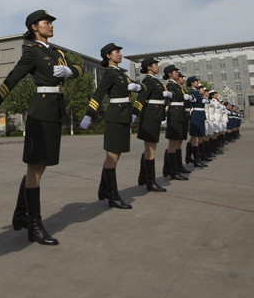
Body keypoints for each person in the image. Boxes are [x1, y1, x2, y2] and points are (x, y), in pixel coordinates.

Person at [0, 10, 85, 244]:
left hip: (56, 109)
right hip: (41, 110)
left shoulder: (58, 53)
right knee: (35, 167)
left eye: (51, 22)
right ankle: (35, 225)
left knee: (41, 166)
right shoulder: (32, 52)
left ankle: (20, 214)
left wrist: (70, 71)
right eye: (46, 22)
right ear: (34, 27)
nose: (51, 25)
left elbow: (80, 69)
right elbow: (12, 79)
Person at [80, 43, 141, 209]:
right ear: (108, 56)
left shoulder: (122, 74)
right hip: (115, 117)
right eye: (117, 52)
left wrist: (138, 86)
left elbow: (140, 87)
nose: (120, 54)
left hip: (123, 116)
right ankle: (113, 196)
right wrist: (89, 114)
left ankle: (104, 188)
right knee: (113, 156)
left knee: (115, 155)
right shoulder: (109, 74)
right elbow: (98, 94)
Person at [132, 57, 171, 192]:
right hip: (149, 117)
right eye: (155, 64)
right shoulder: (148, 80)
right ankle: (151, 181)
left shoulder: (155, 81)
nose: (157, 66)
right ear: (149, 67)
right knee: (151, 151)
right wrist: (134, 113)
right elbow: (141, 97)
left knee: (149, 149)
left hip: (154, 116)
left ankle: (144, 177)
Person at [161, 65, 190, 181]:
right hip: (175, 114)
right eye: (175, 72)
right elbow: (166, 101)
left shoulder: (177, 86)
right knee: (173, 144)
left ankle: (177, 167)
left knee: (178, 142)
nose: (177, 73)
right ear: (169, 74)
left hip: (180, 114)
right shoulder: (170, 86)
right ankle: (173, 171)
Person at [185, 76, 208, 168]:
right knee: (196, 138)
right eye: (195, 81)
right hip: (197, 114)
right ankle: (196, 159)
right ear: (191, 83)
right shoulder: (192, 92)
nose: (197, 82)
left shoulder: (197, 92)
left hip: (200, 114)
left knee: (196, 137)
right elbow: (194, 100)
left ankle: (192, 157)